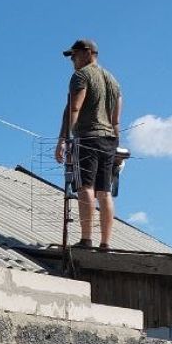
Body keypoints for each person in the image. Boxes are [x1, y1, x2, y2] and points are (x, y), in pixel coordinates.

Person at [54, 38, 123, 251]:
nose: (72, 60)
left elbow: (74, 108)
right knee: (105, 191)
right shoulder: (113, 80)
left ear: (87, 52)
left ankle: (86, 239)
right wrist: (117, 145)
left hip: (88, 137)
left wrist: (64, 139)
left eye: (74, 55)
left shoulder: (81, 76)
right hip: (109, 139)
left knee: (86, 186)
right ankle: (106, 243)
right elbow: (116, 119)